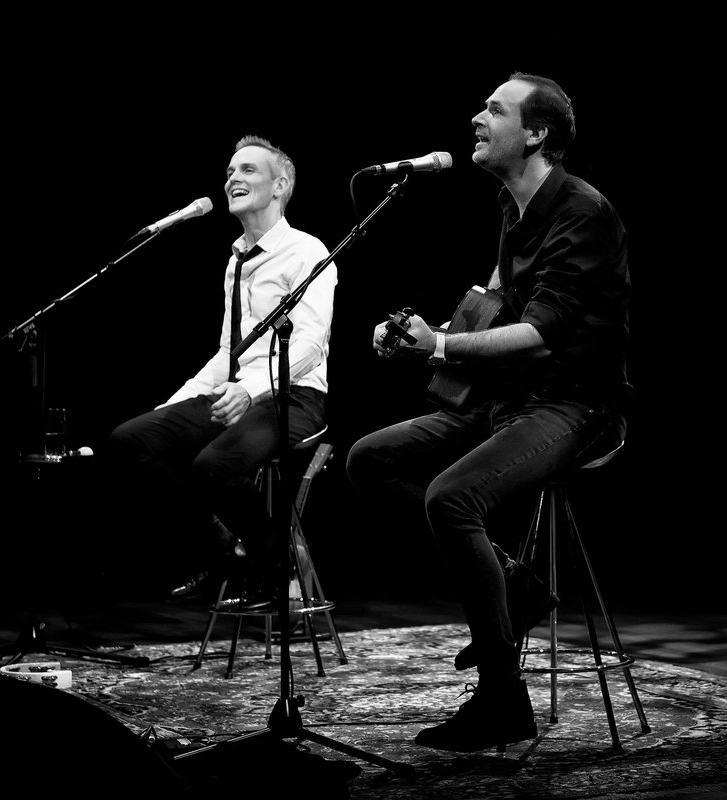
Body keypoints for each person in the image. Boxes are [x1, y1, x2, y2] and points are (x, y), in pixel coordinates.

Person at [346, 72, 632, 752]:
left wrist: (440, 345)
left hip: (574, 403)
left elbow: (542, 332)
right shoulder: (514, 207)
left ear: (535, 134)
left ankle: (503, 698)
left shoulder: (582, 212)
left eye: (493, 110)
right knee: (368, 461)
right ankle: (515, 585)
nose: (477, 118)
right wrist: (420, 334)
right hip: (509, 397)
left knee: (451, 500)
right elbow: (499, 303)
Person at [107, 135, 336, 610]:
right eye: (231, 171)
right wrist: (175, 405)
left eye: (249, 170)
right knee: (133, 439)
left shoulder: (307, 251)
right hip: (238, 390)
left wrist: (251, 390)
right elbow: (227, 353)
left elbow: (310, 347)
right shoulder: (235, 260)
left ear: (280, 185)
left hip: (295, 396)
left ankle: (277, 571)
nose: (234, 178)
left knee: (213, 467)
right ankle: (225, 557)